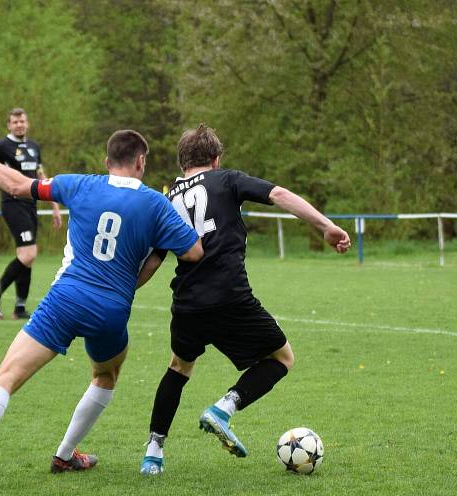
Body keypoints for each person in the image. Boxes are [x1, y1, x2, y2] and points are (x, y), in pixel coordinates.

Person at [0, 130, 203, 493]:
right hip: (111, 309)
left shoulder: (80, 185)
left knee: (8, 375)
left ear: (107, 163)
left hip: (66, 298)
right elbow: (194, 252)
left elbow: (16, 186)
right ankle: (65, 454)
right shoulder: (157, 205)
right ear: (141, 162)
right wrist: (153, 254)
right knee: (105, 376)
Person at [137, 124, 351, 475]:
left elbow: (156, 258)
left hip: (187, 303)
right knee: (282, 358)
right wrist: (325, 225)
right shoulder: (227, 179)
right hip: (229, 296)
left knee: (179, 367)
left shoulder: (170, 197)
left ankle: (153, 453)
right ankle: (225, 407)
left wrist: (124, 291)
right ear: (216, 159)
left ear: (181, 163)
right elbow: (280, 194)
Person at [0, 107, 62, 320]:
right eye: (15, 122)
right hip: (13, 203)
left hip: (31, 205)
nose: (19, 125)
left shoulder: (34, 147)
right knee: (29, 254)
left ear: (27, 123)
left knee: (27, 257)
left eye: (22, 121)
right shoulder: (1, 147)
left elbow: (41, 175)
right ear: (9, 125)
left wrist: (54, 206)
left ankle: (19, 307)